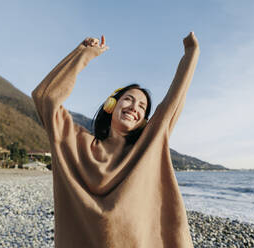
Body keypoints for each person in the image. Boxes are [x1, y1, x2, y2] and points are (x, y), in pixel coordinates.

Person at [32, 32, 199, 248]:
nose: (133, 107)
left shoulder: (147, 146)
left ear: (144, 121)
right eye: (128, 99)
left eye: (142, 107)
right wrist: (84, 53)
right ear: (111, 105)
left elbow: (173, 102)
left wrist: (191, 53)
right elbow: (45, 98)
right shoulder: (78, 144)